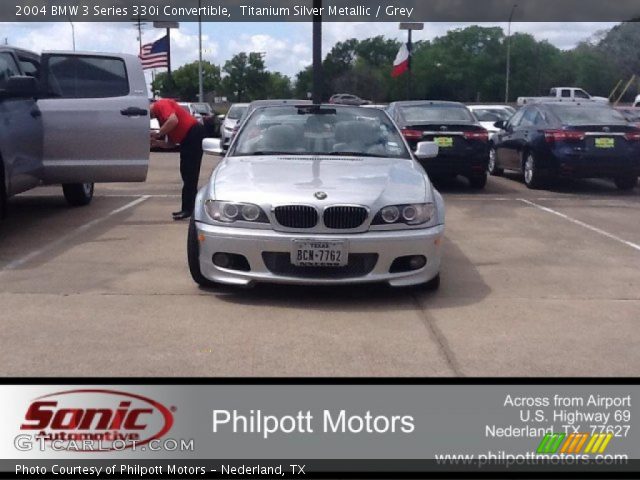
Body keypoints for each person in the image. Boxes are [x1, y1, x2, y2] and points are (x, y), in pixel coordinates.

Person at [150, 99, 205, 220]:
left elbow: (173, 120)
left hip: (192, 133)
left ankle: (188, 210)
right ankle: (189, 209)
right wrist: (157, 143)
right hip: (187, 139)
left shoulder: (161, 104)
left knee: (190, 173)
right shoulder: (160, 117)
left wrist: (158, 133)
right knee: (187, 174)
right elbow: (171, 143)